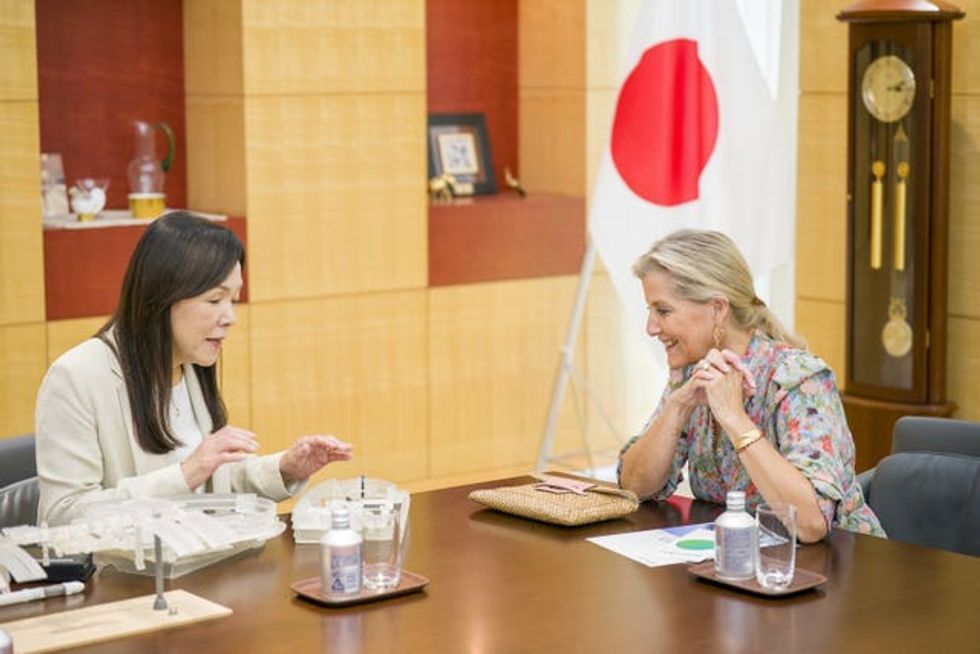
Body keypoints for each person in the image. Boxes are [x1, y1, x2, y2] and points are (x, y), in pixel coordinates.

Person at [36, 211, 353, 525]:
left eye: (234, 300)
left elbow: (216, 483)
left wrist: (285, 468)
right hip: (125, 574)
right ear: (162, 299)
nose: (230, 317)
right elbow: (63, 516)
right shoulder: (76, 377)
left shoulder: (190, 362)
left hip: (199, 562)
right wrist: (186, 474)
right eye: (215, 300)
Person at [618, 229, 884, 543]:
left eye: (663, 311)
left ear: (718, 308)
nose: (651, 328)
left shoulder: (799, 379)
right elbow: (634, 487)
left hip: (843, 569)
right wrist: (678, 406)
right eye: (650, 312)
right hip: (742, 566)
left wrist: (733, 418)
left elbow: (811, 524)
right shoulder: (691, 372)